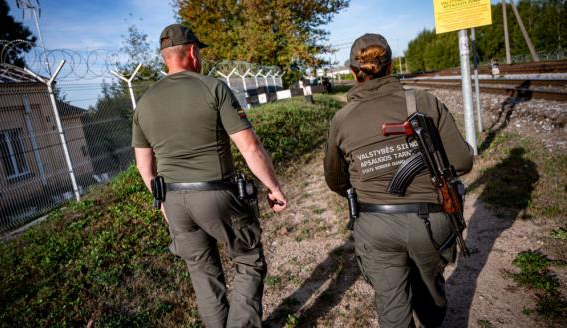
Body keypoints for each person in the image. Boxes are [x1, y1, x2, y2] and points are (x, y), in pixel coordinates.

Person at [132, 24, 287, 328]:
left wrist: (164, 203)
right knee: (248, 259)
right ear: (192, 52)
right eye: (199, 51)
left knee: (203, 276)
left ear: (166, 58)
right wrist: (273, 187)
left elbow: (143, 166)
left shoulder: (145, 102)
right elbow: (250, 146)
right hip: (216, 194)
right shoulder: (213, 87)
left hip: (174, 200)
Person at [324, 33, 473, 328]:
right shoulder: (423, 101)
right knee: (431, 297)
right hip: (431, 221)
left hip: (375, 227)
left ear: (354, 72)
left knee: (392, 307)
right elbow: (462, 161)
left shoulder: (341, 119)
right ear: (391, 66)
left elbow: (336, 181)